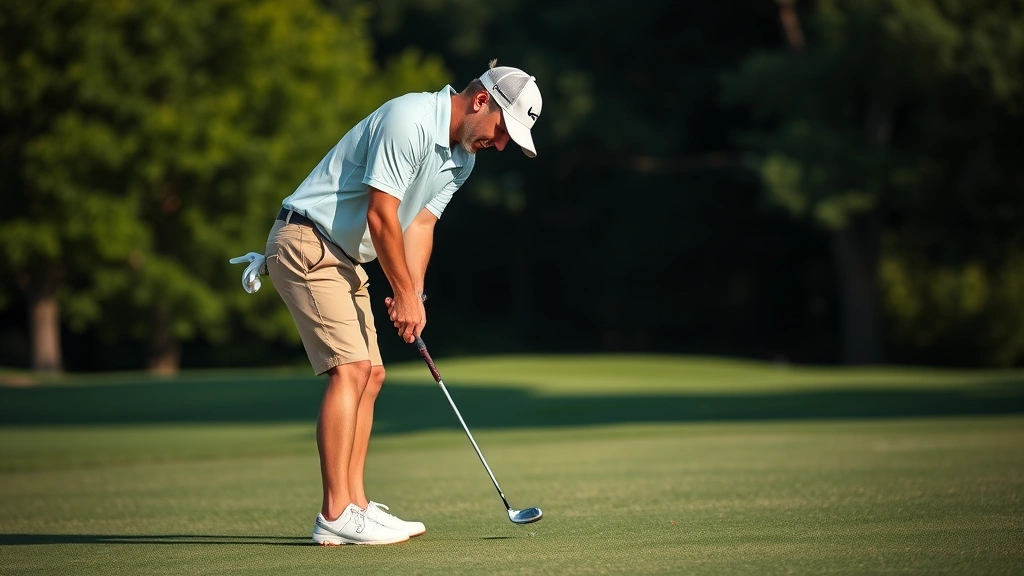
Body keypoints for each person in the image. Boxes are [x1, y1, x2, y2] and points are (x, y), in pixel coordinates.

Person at [245, 60, 542, 545]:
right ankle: (335, 510)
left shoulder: (462, 160)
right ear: (482, 100)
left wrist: (415, 296)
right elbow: (382, 213)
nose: (502, 143)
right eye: (503, 130)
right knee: (351, 370)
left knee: (373, 373)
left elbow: (419, 227)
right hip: (306, 243)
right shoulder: (409, 119)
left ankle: (355, 506)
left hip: (342, 258)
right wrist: (400, 292)